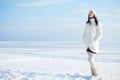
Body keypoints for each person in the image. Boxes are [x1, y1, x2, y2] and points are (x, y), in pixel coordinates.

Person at [83, 10, 103, 80]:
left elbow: (100, 33)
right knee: (89, 60)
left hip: (94, 45)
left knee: (91, 60)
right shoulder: (87, 23)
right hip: (87, 45)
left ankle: (96, 74)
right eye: (89, 13)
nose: (90, 13)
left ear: (94, 14)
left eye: (91, 12)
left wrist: (95, 40)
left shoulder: (98, 23)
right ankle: (92, 74)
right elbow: (84, 33)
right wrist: (84, 40)